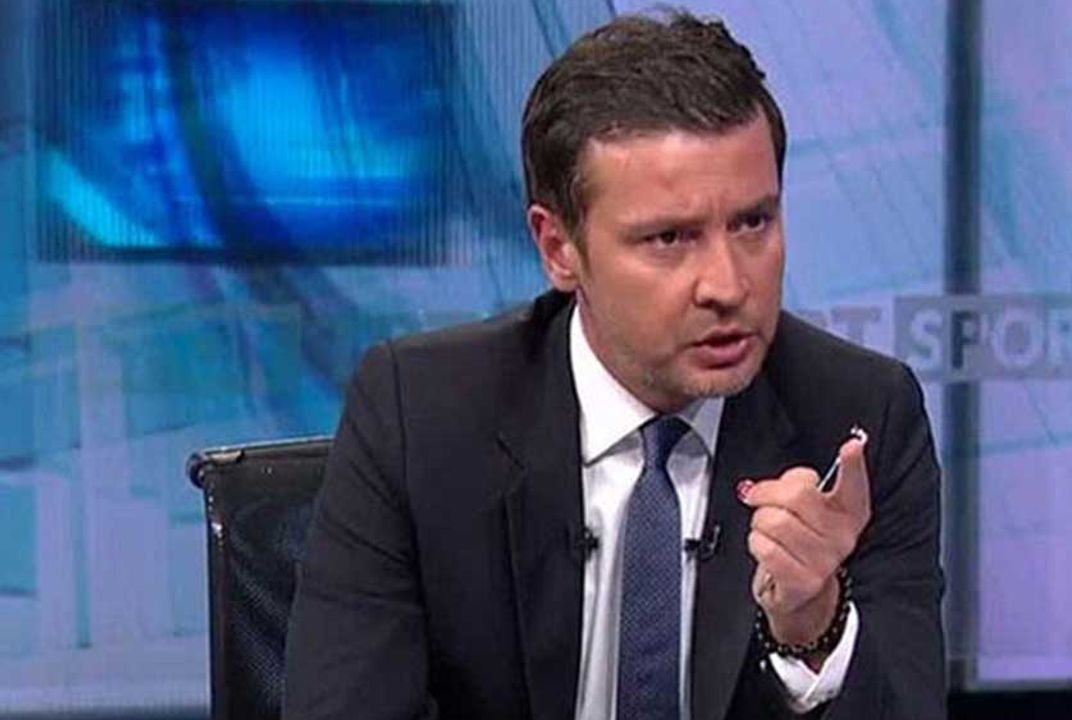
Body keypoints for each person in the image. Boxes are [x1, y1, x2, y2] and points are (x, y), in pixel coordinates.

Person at [283, 9, 944, 720]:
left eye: (753, 222)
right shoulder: (420, 417)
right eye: (670, 238)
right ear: (558, 248)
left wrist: (814, 627)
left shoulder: (858, 421)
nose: (727, 285)